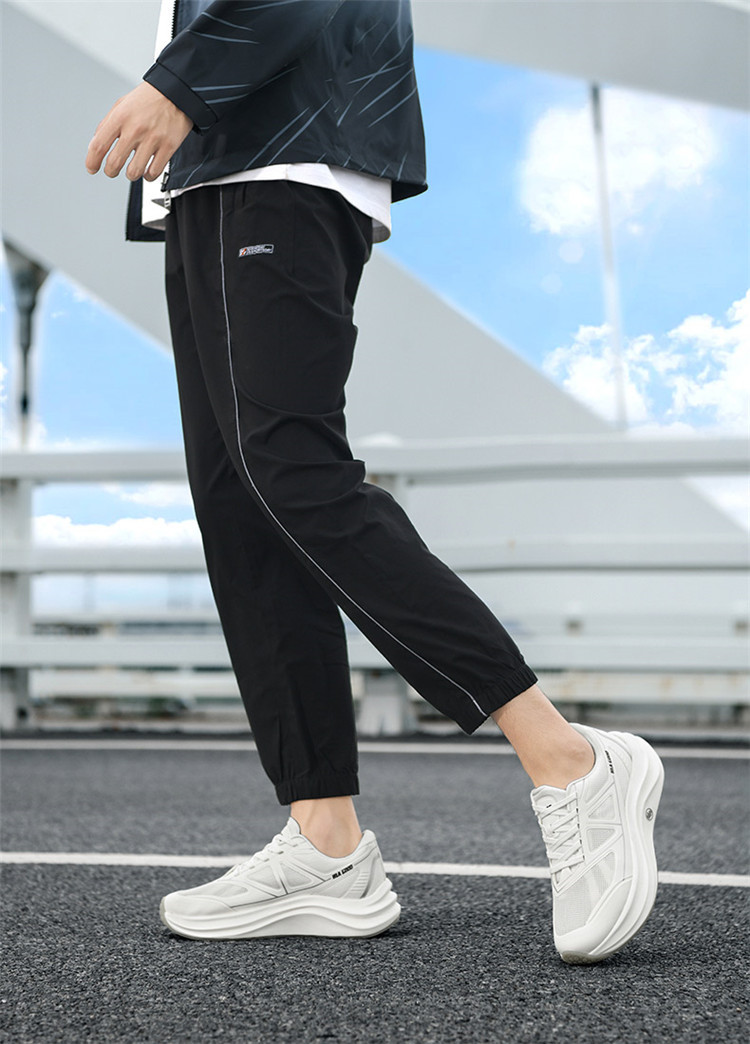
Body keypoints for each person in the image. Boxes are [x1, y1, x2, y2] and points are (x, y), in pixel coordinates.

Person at [86, 0, 664, 962]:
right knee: (241, 504)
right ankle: (326, 842)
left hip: (278, 150)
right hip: (214, 172)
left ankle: (570, 760)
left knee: (293, 474)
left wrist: (182, 82)